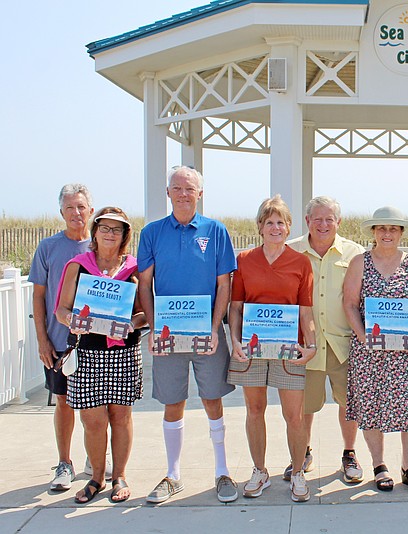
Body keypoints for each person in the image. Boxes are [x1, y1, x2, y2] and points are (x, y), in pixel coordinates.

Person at [137, 165, 239, 503]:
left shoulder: (216, 231)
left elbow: (224, 284)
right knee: (172, 402)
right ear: (168, 193)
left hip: (207, 336)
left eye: (190, 188)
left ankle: (222, 472)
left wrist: (214, 328)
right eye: (177, 188)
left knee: (213, 399)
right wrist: (153, 329)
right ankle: (173, 475)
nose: (183, 194)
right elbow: (145, 283)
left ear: (200, 194)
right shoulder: (151, 233)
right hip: (167, 335)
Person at [343, 206, 408, 494]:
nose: (387, 233)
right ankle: (379, 465)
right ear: (374, 232)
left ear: (401, 233)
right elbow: (350, 303)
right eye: (381, 228)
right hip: (371, 352)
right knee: (371, 408)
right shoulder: (359, 263)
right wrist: (363, 336)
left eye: (393, 229)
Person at [228, 195, 318, 502]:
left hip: (289, 348)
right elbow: (236, 307)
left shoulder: (300, 262)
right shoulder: (243, 261)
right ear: (259, 227)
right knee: (255, 410)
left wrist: (312, 345)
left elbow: (305, 311)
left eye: (281, 222)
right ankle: (259, 471)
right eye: (269, 222)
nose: (275, 228)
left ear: (289, 227)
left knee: (294, 415)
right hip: (251, 349)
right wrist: (235, 342)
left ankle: (297, 473)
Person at [54, 207, 147, 503]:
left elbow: (146, 312)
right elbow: (61, 310)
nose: (109, 234)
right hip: (88, 351)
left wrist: (132, 323)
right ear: (94, 232)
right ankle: (96, 477)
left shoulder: (135, 268)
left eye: (116, 229)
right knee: (92, 420)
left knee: (121, 416)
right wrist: (73, 321)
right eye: (104, 228)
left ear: (124, 235)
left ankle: (119, 475)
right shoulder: (77, 266)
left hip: (124, 351)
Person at [29, 184, 111, 491]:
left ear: (91, 210)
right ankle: (64, 463)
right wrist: (42, 340)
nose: (76, 213)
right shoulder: (48, 248)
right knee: (63, 402)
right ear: (61, 213)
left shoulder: (103, 246)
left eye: (81, 207)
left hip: (98, 343)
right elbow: (38, 297)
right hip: (60, 342)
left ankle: (96, 460)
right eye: (69, 208)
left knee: (99, 405)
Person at [287, 196, 365, 484]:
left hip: (343, 344)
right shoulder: (292, 251)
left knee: (348, 403)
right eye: (317, 219)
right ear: (307, 221)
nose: (323, 224)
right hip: (305, 346)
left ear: (338, 222)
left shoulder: (355, 253)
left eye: (329, 219)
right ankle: (302, 453)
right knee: (305, 406)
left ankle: (349, 453)